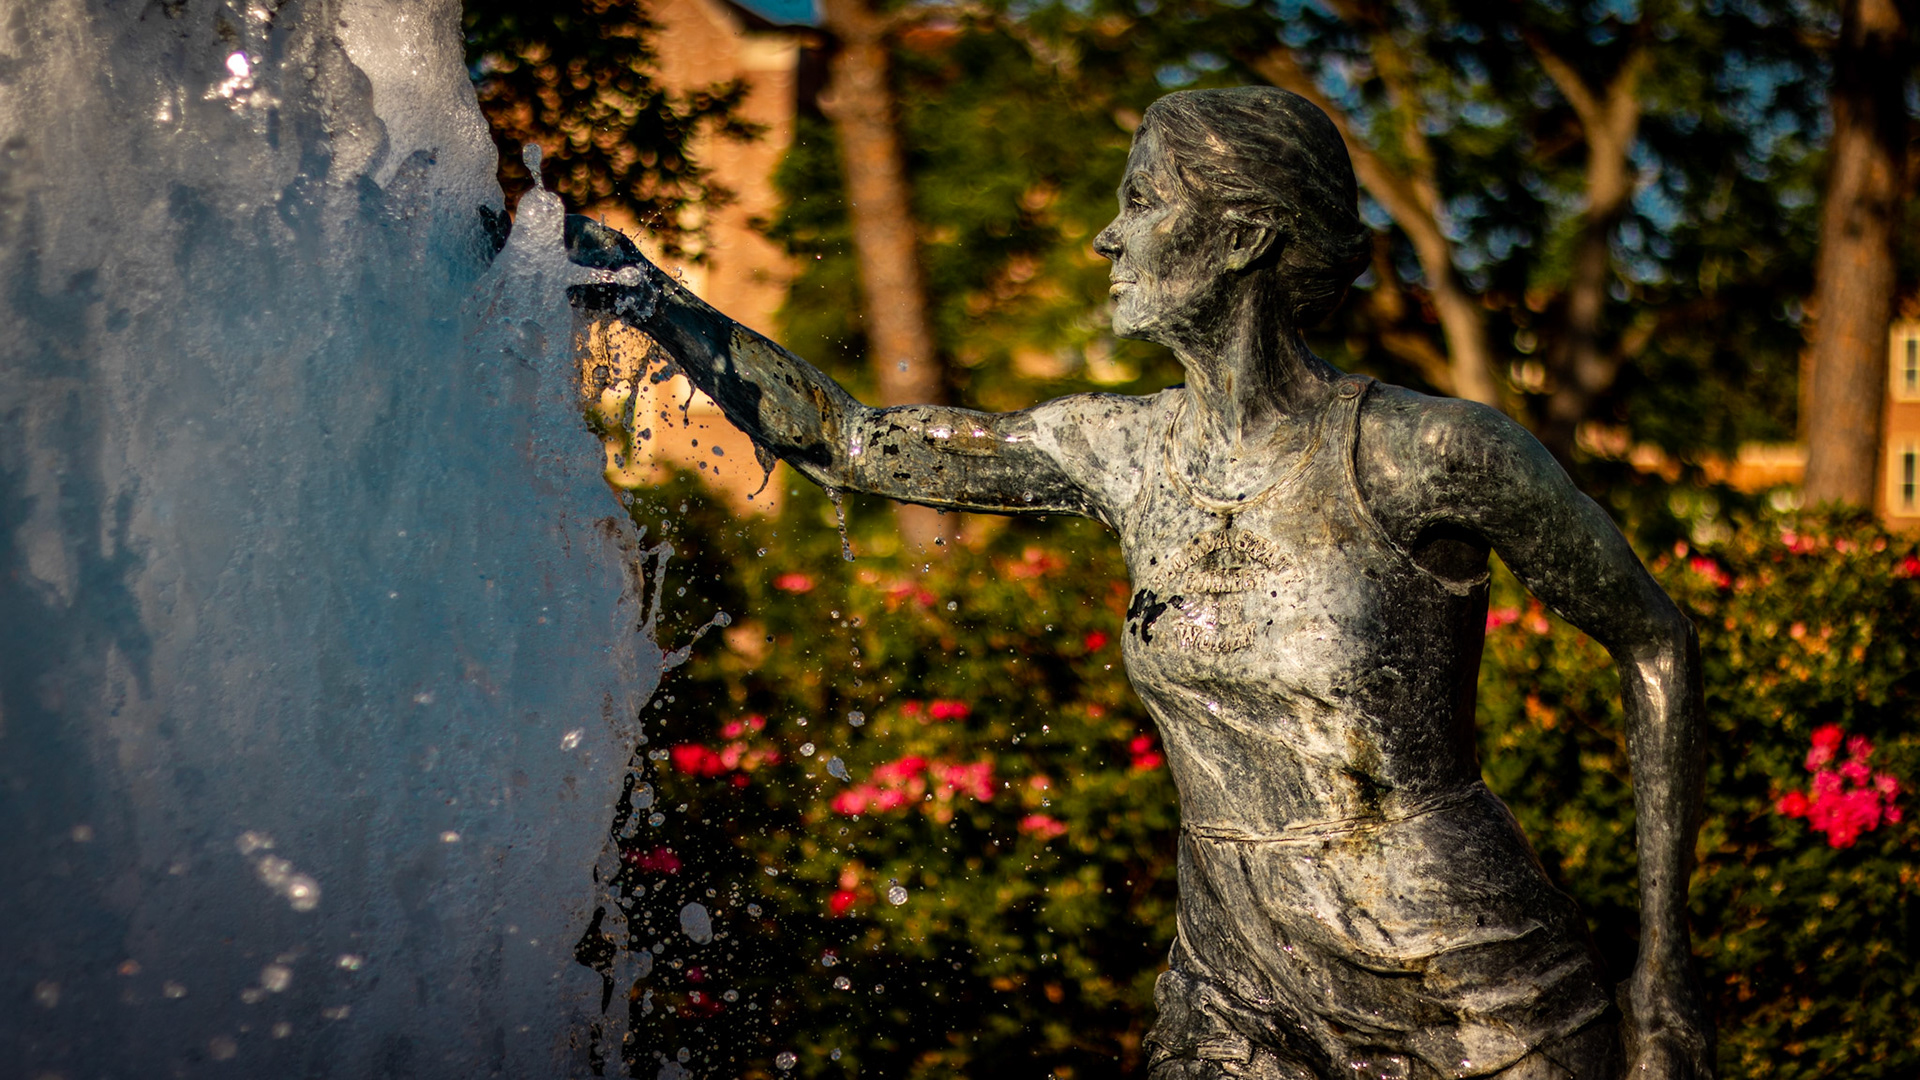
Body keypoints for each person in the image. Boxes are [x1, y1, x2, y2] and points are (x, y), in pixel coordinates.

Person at [566, 85, 1710, 1080]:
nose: (1107, 238)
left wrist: (1663, 974)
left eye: (1143, 199)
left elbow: (1654, 641)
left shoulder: (1431, 454)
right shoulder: (1120, 450)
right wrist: (645, 292)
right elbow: (851, 441)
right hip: (1236, 985)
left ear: (1242, 236)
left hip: (1465, 988)